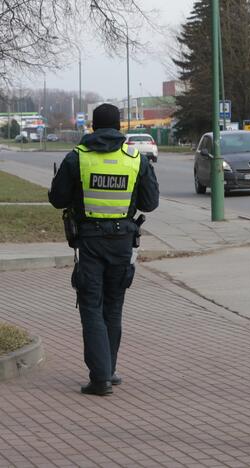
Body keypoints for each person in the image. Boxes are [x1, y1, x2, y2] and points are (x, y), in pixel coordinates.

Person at [49, 103, 159, 396]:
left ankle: (100, 378)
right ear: (120, 126)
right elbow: (150, 203)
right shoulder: (136, 159)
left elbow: (58, 200)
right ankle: (108, 369)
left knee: (91, 307)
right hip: (123, 242)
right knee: (113, 306)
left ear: (93, 127)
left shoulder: (78, 158)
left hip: (90, 243)